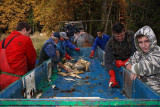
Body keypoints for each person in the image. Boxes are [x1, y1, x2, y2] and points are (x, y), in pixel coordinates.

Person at [0, 21, 37, 90]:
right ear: (24, 30)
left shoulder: (3, 42)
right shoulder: (25, 40)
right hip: (17, 80)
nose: (28, 35)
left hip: (2, 79)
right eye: (28, 33)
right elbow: (32, 60)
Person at [105, 22, 136, 87]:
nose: (120, 38)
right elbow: (108, 62)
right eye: (117, 36)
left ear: (124, 31)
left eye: (122, 35)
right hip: (119, 66)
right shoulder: (110, 44)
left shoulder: (132, 36)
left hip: (133, 63)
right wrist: (112, 76)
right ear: (113, 33)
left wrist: (127, 62)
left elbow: (136, 52)